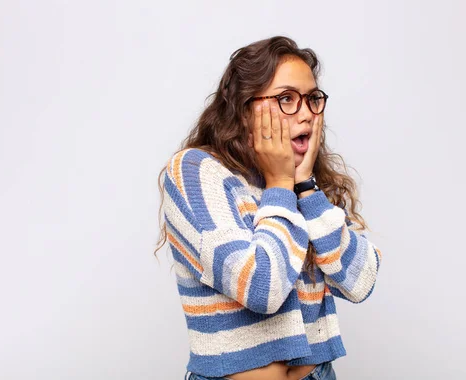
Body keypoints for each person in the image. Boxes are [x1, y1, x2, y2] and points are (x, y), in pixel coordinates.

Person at [155, 36, 383, 380]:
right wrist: (280, 185)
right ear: (245, 107)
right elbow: (262, 287)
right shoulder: (198, 171)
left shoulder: (306, 182)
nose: (306, 113)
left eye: (313, 99)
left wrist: (305, 186)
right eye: (287, 98)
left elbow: (360, 281)